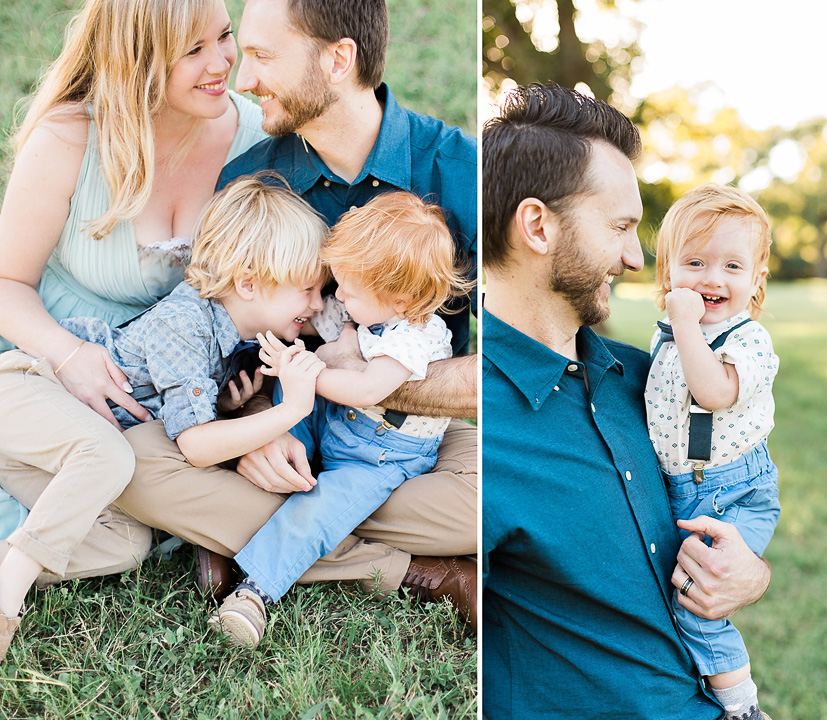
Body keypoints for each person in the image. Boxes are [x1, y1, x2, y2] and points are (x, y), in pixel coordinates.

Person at [108, 0, 478, 627]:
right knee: (134, 464)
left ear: (338, 59)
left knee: (486, 502)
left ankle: (250, 539)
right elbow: (230, 338)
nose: (241, 79)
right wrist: (262, 421)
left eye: (262, 56)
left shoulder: (464, 172)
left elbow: (494, 371)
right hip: (292, 428)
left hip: (417, 437)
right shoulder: (250, 184)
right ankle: (419, 568)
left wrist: (365, 377)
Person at [481, 83, 773, 719]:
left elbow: (740, 493)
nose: (636, 260)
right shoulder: (484, 428)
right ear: (537, 225)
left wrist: (751, 573)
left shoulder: (651, 382)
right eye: (619, 227)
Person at [0, 177, 328, 660]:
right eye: (308, 290)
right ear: (250, 283)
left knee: (127, 544)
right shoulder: (187, 320)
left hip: (59, 450)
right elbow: (195, 445)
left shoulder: (231, 343)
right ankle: (7, 602)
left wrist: (228, 409)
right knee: (112, 456)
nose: (318, 305)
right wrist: (291, 409)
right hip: (27, 390)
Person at [0, 0, 267, 568]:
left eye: (223, 36)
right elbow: (5, 281)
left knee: (125, 537)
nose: (221, 62)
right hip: (48, 351)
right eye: (192, 50)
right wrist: (70, 355)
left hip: (164, 378)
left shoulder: (254, 139)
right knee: (105, 515)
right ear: (140, 59)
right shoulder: (70, 137)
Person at [211, 191, 474, 645]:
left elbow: (369, 388)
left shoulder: (416, 335)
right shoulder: (364, 311)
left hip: (379, 454)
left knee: (322, 508)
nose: (338, 295)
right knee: (275, 423)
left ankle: (253, 592)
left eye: (349, 288)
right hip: (338, 418)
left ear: (400, 297)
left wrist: (304, 372)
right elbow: (310, 321)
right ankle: (233, 502)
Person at [647, 184, 781, 720]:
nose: (713, 278)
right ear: (668, 275)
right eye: (695, 262)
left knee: (699, 604)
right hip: (687, 488)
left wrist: (684, 324)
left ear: (756, 281)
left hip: (734, 490)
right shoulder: (670, 334)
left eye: (732, 265)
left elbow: (713, 393)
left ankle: (742, 708)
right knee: (674, 598)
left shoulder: (748, 340)